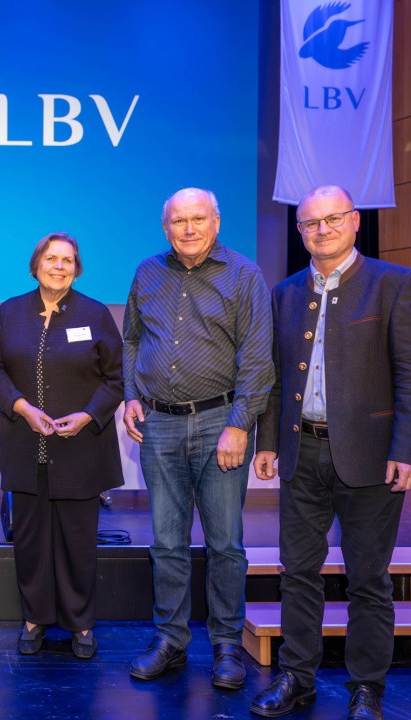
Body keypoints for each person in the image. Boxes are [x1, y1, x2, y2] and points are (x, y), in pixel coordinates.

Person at [250, 186, 411, 720]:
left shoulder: (396, 284)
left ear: (355, 221)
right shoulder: (285, 293)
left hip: (374, 458)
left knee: (369, 579)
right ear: (300, 231)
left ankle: (366, 688)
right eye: (311, 223)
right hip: (301, 452)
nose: (322, 229)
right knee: (298, 572)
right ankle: (296, 678)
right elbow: (275, 376)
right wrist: (267, 442)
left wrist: (409, 450)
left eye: (333, 219)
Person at [123, 187, 273, 689]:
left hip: (219, 423)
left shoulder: (245, 275)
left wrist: (239, 425)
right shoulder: (147, 272)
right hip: (159, 424)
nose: (188, 229)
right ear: (165, 227)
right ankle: (170, 639)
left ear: (217, 221)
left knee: (225, 543)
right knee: (166, 541)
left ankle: (228, 644)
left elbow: (257, 360)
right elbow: (132, 339)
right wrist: (131, 394)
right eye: (178, 221)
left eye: (198, 219)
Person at [0, 232, 123, 660]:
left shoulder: (95, 314)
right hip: (27, 448)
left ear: (76, 268)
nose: (58, 266)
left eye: (67, 260)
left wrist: (87, 415)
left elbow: (115, 379)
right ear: (36, 264)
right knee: (30, 541)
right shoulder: (11, 313)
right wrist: (21, 407)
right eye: (51, 258)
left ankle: (80, 624)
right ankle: (34, 619)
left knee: (79, 542)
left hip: (81, 450)